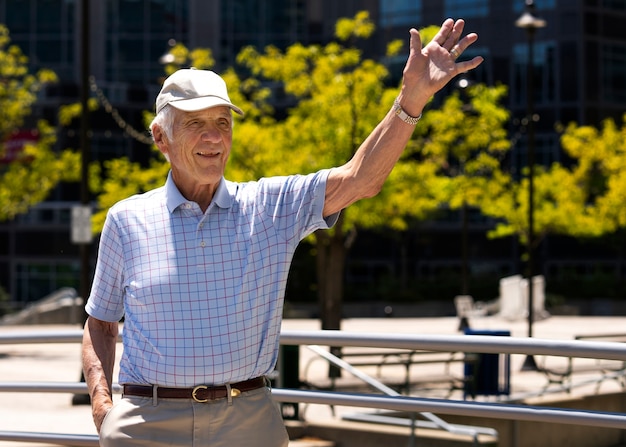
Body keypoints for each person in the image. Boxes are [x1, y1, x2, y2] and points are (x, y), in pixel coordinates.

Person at [82, 18, 483, 447]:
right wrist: (104, 411)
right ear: (161, 138)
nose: (214, 137)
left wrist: (412, 99)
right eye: (196, 123)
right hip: (147, 423)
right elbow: (100, 325)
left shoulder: (270, 207)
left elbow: (359, 180)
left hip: (247, 422)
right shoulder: (126, 220)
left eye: (223, 121)